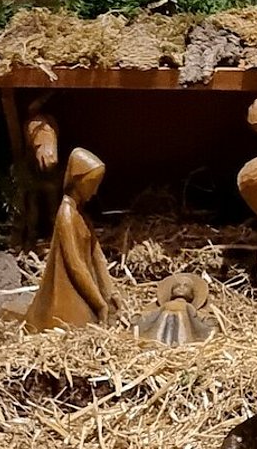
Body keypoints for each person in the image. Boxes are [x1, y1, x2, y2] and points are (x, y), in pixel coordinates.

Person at [24, 148, 118, 331]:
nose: (95, 191)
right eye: (92, 184)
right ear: (78, 181)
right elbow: (75, 265)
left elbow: (97, 256)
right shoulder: (66, 215)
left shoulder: (81, 216)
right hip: (67, 300)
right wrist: (99, 304)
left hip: (89, 293)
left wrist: (110, 293)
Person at [134, 274, 215, 346]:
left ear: (192, 294)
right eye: (177, 286)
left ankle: (182, 344)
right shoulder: (165, 305)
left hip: (184, 325)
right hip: (163, 323)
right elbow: (153, 313)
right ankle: (158, 342)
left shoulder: (189, 307)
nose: (181, 288)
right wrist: (141, 317)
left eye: (186, 286)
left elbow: (196, 316)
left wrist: (208, 320)